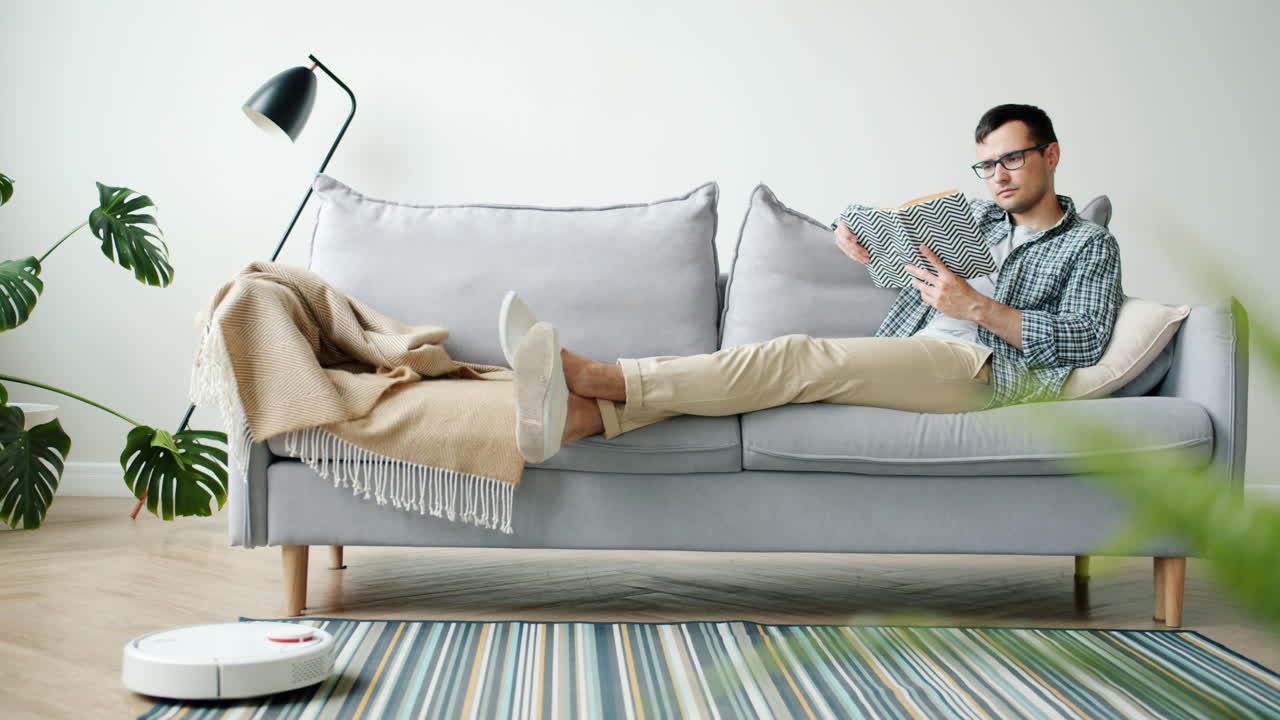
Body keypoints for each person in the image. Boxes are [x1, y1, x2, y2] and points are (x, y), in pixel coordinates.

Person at [503, 103, 1124, 464]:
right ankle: (581, 421)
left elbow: (1086, 341)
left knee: (797, 355)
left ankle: (598, 376)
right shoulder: (978, 219)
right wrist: (855, 233)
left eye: (1012, 159)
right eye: (987, 164)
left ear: (1051, 155)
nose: (999, 176)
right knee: (771, 381)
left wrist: (978, 308)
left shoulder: (1089, 244)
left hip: (981, 369)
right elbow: (885, 226)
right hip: (921, 349)